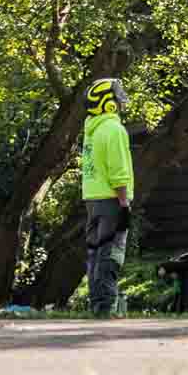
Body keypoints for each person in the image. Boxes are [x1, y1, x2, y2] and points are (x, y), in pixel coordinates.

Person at [80, 76, 136, 316]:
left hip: (92, 199)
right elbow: (118, 170)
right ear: (108, 103)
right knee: (111, 255)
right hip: (112, 200)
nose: (120, 101)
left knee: (96, 253)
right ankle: (106, 307)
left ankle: (96, 303)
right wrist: (124, 203)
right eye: (116, 97)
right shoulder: (114, 129)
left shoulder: (92, 129)